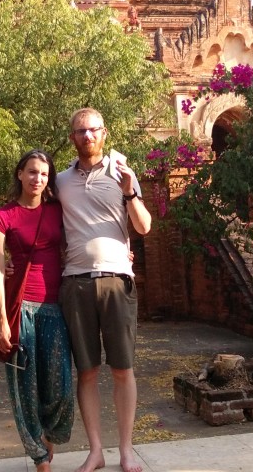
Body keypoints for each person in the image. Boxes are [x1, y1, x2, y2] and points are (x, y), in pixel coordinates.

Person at [57, 108, 152, 472]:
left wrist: (129, 192)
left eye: (93, 130)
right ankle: (96, 451)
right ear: (73, 138)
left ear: (104, 133)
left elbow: (143, 227)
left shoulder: (122, 173)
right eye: (80, 131)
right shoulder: (60, 181)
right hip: (76, 282)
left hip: (117, 280)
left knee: (122, 369)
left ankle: (126, 450)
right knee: (87, 371)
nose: (87, 136)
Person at [0, 149, 73, 472]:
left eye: (43, 173)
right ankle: (40, 460)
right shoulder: (3, 216)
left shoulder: (56, 211)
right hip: (20, 307)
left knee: (61, 389)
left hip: (55, 307)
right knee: (25, 389)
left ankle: (47, 443)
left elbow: (79, 240)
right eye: (32, 172)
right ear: (20, 174)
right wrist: (1, 322)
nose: (38, 178)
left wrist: (121, 255)